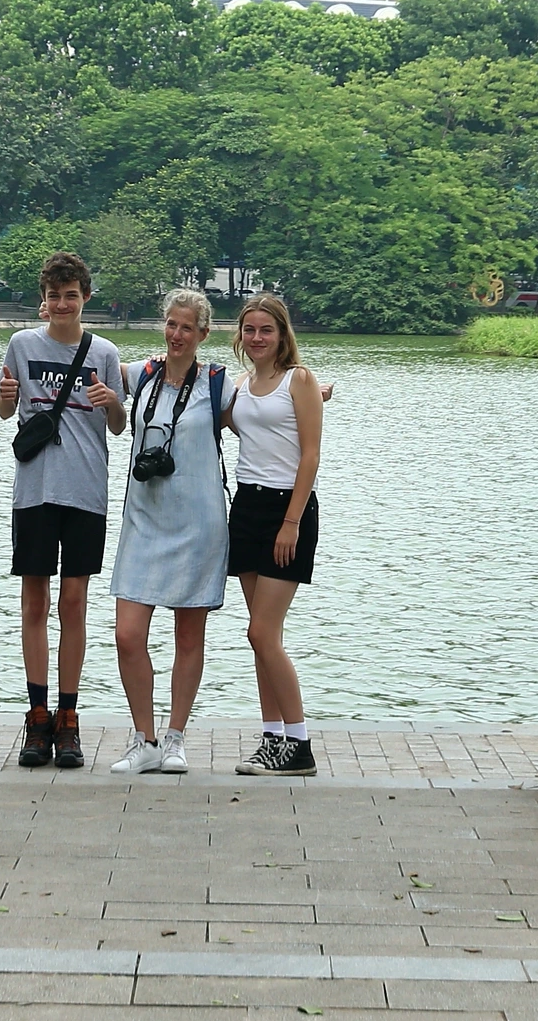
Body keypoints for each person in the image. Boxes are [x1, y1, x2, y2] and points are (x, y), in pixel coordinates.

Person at [0, 251, 126, 769]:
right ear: (43, 300)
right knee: (34, 602)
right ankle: (37, 714)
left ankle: (69, 718)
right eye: (53, 296)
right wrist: (5, 398)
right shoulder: (22, 345)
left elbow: (118, 426)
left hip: (86, 492)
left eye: (71, 295)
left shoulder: (105, 353)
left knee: (74, 603)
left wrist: (109, 402)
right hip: (35, 491)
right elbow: (8, 410)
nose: (61, 304)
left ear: (85, 298)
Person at [108, 289, 231, 774]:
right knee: (127, 635)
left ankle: (176, 738)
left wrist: (305, 390)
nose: (177, 335)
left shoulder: (219, 384)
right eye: (171, 325)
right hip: (144, 520)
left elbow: (268, 395)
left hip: (199, 524)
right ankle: (144, 739)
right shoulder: (143, 374)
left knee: (188, 635)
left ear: (203, 333)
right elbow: (91, 363)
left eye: (187, 328)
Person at [227, 293, 324, 778]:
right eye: (250, 330)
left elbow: (309, 456)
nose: (258, 338)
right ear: (240, 336)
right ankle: (273, 738)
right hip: (246, 506)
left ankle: (300, 744)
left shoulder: (299, 380)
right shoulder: (242, 385)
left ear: (283, 334)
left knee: (262, 631)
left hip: (288, 510)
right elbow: (214, 415)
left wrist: (291, 521)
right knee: (263, 638)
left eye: (267, 330)